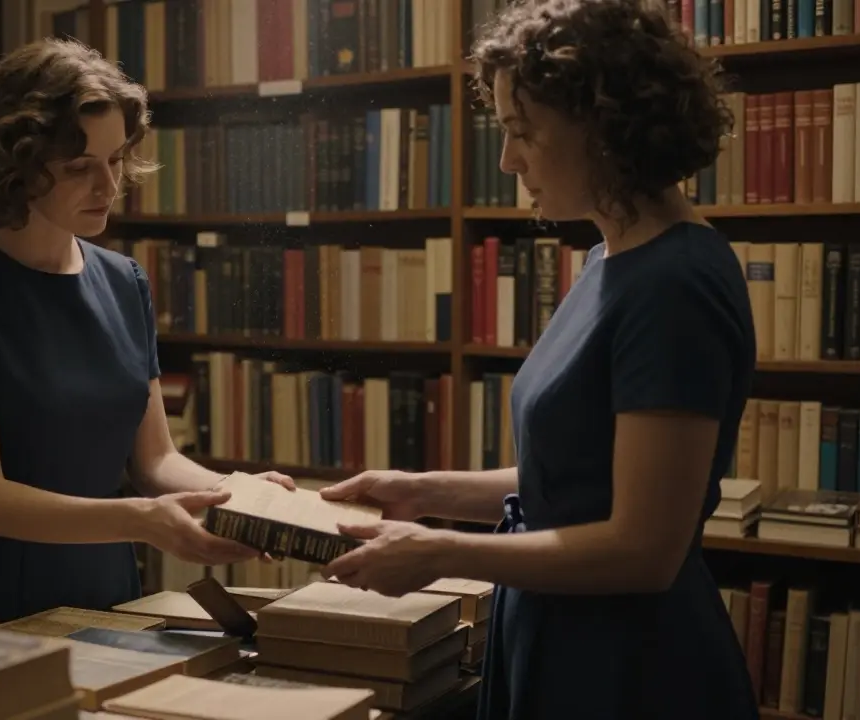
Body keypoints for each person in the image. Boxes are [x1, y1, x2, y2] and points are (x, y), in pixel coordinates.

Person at [319, 0, 760, 717]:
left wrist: (439, 553)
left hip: (627, 666)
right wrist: (424, 491)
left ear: (603, 128)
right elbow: (576, 479)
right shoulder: (609, 260)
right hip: (560, 632)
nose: (507, 160)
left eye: (522, 132)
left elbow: (642, 549)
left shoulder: (674, 284)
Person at [0, 38, 292, 628]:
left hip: (105, 584)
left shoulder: (124, 279)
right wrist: (139, 519)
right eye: (80, 168)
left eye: (115, 160)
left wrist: (237, 496)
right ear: (16, 167)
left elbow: (157, 460)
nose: (109, 187)